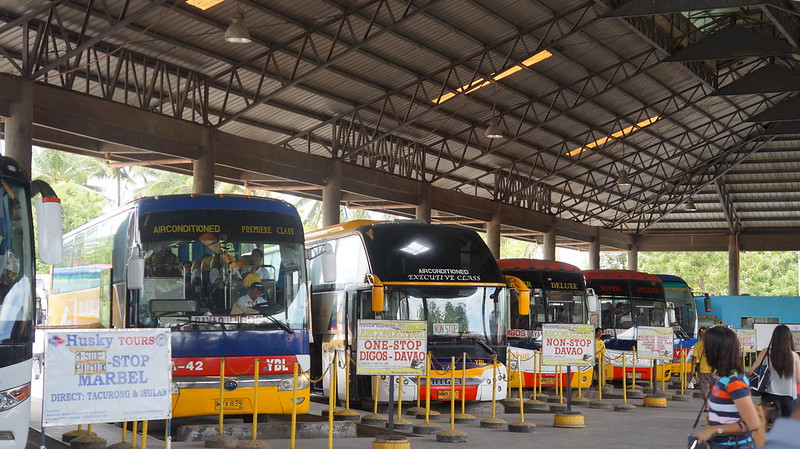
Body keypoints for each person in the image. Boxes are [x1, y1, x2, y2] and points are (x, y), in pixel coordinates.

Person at [697, 326, 761, 448]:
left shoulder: (734, 381)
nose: (704, 352)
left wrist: (714, 429)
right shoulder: (722, 378)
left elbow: (753, 423)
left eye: (706, 348)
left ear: (716, 351)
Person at [752, 324, 800, 418]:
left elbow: (752, 371)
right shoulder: (794, 356)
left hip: (768, 397)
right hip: (787, 399)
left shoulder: (765, 352)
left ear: (774, 338)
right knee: (785, 428)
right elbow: (798, 379)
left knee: (768, 426)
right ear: (789, 339)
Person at [693, 327, 716, 406]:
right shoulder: (713, 344)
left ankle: (707, 406)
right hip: (713, 370)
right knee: (713, 389)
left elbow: (694, 358)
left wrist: (692, 369)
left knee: (704, 390)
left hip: (703, 370)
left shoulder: (697, 345)